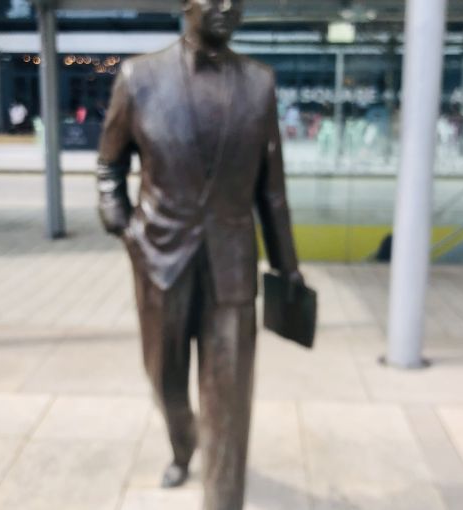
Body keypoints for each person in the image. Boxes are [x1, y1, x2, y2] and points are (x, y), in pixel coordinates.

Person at [96, 1, 303, 509]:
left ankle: (223, 498)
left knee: (229, 396)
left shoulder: (259, 83)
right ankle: (184, 443)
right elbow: (109, 165)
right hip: (159, 260)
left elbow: (271, 189)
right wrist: (124, 226)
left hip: (231, 264)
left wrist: (287, 265)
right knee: (165, 382)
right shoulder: (139, 77)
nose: (228, 7)